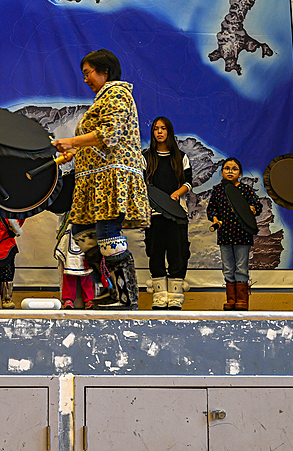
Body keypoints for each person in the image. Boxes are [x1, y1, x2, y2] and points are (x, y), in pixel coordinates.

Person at [53, 49, 148, 310]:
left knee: (107, 233)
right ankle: (110, 288)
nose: (85, 79)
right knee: (82, 232)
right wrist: (74, 151)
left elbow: (110, 134)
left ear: (104, 72)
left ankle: (126, 296)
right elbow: (97, 141)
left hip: (111, 178)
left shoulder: (117, 94)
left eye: (88, 73)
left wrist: (72, 140)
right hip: (94, 179)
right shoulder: (102, 99)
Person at [143, 116, 193, 310]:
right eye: (156, 129)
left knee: (178, 253)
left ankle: (175, 297)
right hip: (154, 215)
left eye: (163, 128)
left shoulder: (181, 157)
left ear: (169, 131)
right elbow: (142, 185)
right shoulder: (145, 158)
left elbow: (188, 182)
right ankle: (159, 296)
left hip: (177, 213)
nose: (159, 132)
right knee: (155, 252)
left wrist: (176, 195)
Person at [206, 157, 262, 311]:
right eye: (227, 168)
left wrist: (250, 210)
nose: (230, 171)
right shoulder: (218, 190)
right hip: (224, 235)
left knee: (241, 268)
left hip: (243, 235)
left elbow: (257, 205)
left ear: (240, 173)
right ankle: (231, 299)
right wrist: (215, 219)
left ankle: (242, 300)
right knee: (228, 268)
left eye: (234, 169)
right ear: (222, 172)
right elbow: (211, 209)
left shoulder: (246, 189)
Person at [54, 213, 97, 309]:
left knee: (87, 269)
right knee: (68, 270)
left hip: (88, 230)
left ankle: (89, 299)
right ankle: (68, 299)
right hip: (70, 232)